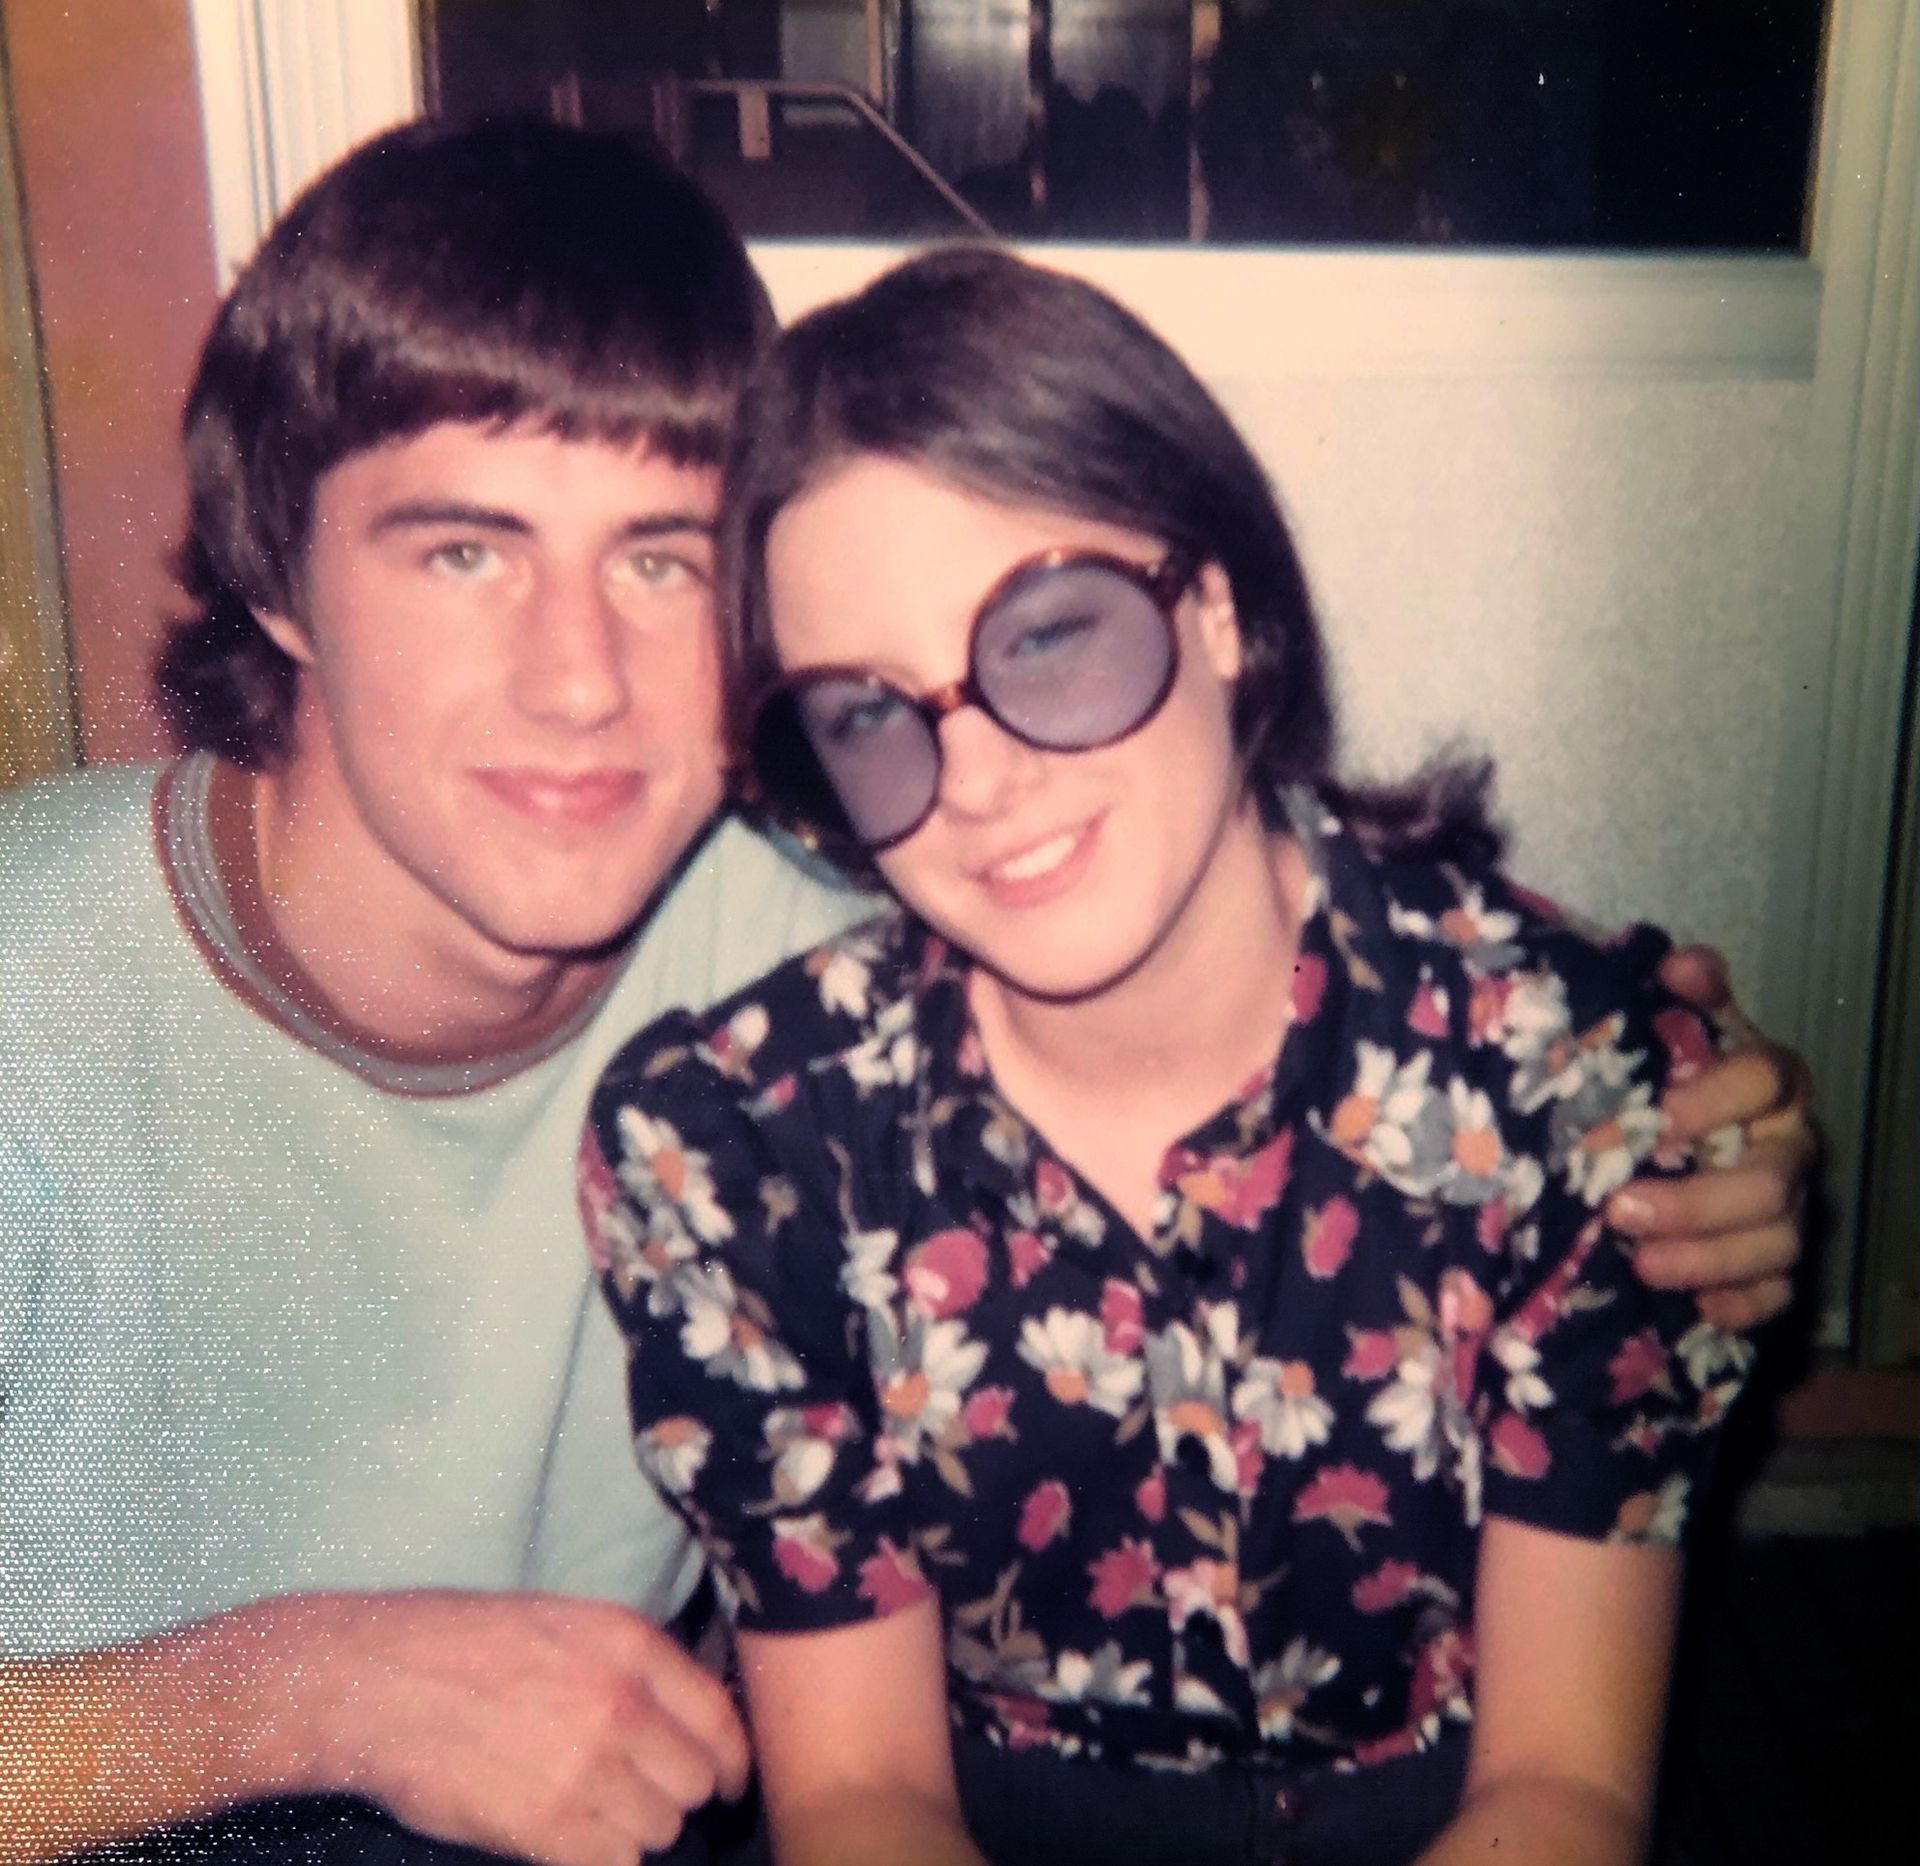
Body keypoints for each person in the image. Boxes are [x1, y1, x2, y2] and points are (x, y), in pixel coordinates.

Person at [0, 118, 1804, 1866]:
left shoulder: (818, 952)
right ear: (276, 570)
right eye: (464, 550)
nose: (579, 681)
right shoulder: (36, 991)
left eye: (660, 560)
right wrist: (291, 1695)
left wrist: (1702, 1109)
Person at [580, 246, 1788, 1866]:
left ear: (1214, 606)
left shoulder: (1571, 1079)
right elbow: (862, 1793)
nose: (978, 777)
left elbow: (1565, 1783)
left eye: (1046, 636)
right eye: (868, 712)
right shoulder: (737, 1154)